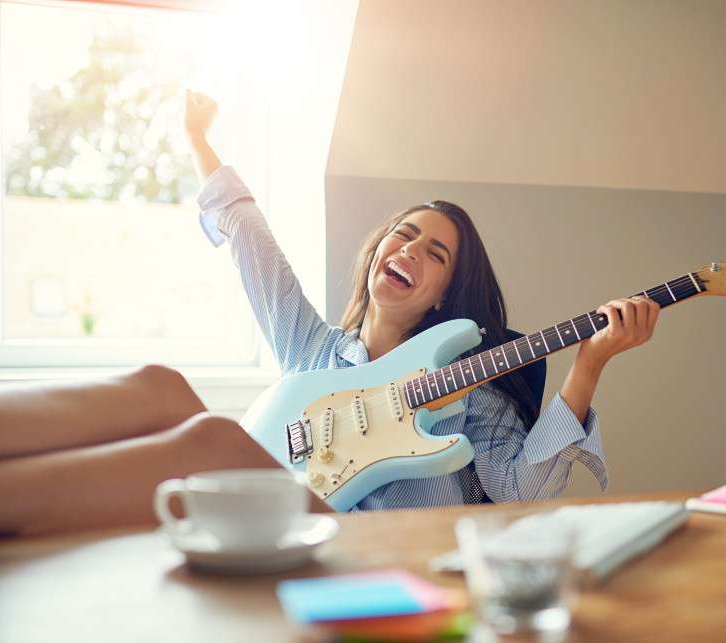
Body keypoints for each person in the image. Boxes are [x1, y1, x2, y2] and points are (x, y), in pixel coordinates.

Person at [184, 89, 660, 512]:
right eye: (404, 235)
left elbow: (523, 492)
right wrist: (197, 137)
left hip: (414, 576)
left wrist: (590, 364)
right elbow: (249, 237)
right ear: (377, 253)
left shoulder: (470, 388)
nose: (410, 250)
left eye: (435, 254)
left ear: (444, 298)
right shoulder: (311, 349)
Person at [0, 366, 315, 550]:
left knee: (166, 390)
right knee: (216, 444)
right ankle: (367, 565)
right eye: (385, 230)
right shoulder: (312, 343)